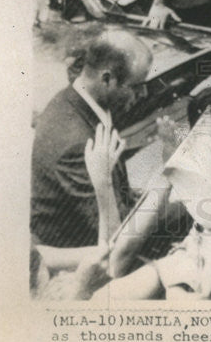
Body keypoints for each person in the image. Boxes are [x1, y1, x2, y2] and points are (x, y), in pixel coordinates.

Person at [31, 30, 151, 249]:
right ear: (106, 79)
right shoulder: (76, 145)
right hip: (77, 250)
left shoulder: (82, 101)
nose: (143, 94)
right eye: (137, 86)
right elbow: (117, 237)